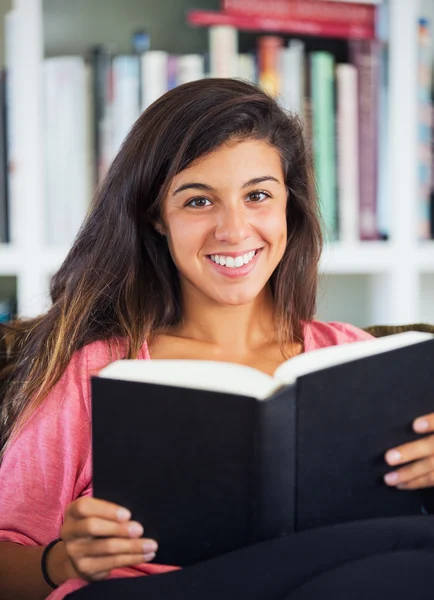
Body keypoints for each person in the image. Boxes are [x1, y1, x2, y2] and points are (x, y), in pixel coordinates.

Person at [0, 78, 434, 600]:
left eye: (258, 196)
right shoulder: (92, 372)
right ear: (156, 217)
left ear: (289, 209)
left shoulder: (357, 358)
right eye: (199, 201)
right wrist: (64, 560)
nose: (234, 229)